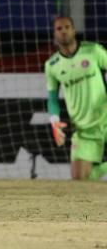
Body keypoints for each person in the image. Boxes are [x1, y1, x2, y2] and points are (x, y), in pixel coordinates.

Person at [45, 15, 107, 180]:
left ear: (73, 30)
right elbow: (52, 98)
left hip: (105, 117)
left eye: (67, 27)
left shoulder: (93, 51)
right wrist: (54, 122)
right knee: (79, 180)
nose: (63, 31)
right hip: (83, 127)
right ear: (54, 34)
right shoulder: (52, 65)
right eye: (59, 29)